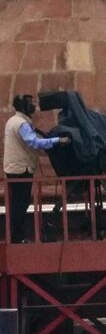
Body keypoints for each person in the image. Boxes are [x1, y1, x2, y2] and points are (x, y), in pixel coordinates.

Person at [5, 94, 69, 243]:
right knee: (20, 203)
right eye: (29, 103)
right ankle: (17, 237)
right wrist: (58, 140)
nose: (33, 106)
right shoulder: (21, 124)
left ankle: (15, 235)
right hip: (21, 170)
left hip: (15, 168)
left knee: (17, 203)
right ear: (23, 106)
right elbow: (34, 142)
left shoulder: (13, 121)